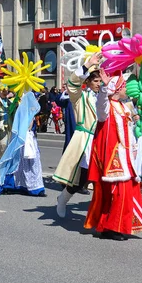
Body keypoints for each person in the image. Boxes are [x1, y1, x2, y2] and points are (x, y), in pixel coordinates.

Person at [84, 72, 142, 240]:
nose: (126, 88)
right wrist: (105, 87)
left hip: (125, 157)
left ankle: (113, 226)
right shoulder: (107, 106)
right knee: (117, 193)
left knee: (125, 192)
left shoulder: (123, 106)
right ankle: (111, 227)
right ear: (117, 88)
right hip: (113, 159)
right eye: (124, 86)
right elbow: (101, 104)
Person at [54, 52, 103, 218]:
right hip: (86, 140)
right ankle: (63, 198)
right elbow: (73, 83)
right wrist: (88, 65)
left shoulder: (104, 97)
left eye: (99, 80)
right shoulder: (80, 97)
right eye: (95, 81)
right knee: (81, 179)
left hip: (101, 140)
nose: (99, 83)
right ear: (87, 82)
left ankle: (100, 213)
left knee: (102, 179)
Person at [0, 91, 45, 197]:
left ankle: (22, 185)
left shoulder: (20, 107)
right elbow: (27, 126)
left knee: (22, 163)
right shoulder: (23, 109)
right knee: (26, 162)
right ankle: (30, 187)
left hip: (24, 138)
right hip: (21, 137)